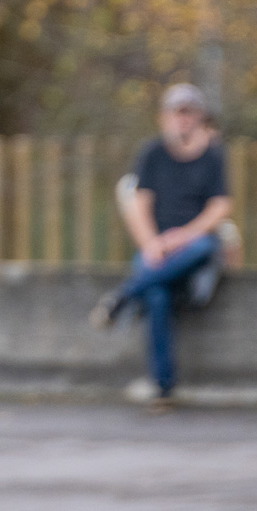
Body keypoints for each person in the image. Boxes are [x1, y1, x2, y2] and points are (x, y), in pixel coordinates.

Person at [90, 84, 232, 410]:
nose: (181, 120)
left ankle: (123, 296)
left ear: (199, 117)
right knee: (157, 295)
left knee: (201, 248)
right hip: (160, 249)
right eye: (175, 113)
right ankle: (163, 387)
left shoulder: (213, 155)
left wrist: (184, 236)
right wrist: (152, 244)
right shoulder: (153, 153)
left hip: (196, 244)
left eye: (188, 113)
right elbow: (139, 204)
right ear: (164, 117)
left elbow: (220, 208)